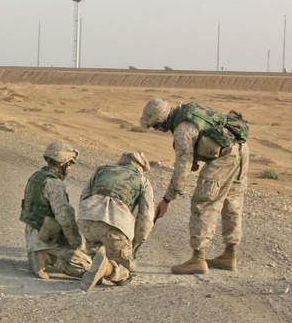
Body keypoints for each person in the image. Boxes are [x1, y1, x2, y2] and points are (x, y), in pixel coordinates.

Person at [140, 98, 250, 275]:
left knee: (203, 202)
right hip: (241, 150)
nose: (158, 130)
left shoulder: (182, 130)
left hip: (225, 156)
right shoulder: (188, 110)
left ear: (161, 120)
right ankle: (230, 254)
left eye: (155, 126)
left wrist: (167, 199)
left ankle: (197, 259)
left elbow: (182, 168)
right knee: (232, 203)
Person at [77, 152, 155, 291]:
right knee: (125, 272)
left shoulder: (101, 170)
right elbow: (146, 217)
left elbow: (84, 196)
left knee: (95, 254)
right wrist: (135, 241)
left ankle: (96, 267)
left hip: (87, 221)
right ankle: (107, 269)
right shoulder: (142, 180)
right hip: (115, 226)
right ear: (141, 167)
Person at [20, 142, 93, 280]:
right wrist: (77, 244)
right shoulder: (54, 183)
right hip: (48, 240)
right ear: (61, 163)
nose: (70, 168)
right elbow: (65, 218)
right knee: (89, 267)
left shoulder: (36, 177)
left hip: (34, 238)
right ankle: (47, 256)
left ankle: (39, 255)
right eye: (70, 163)